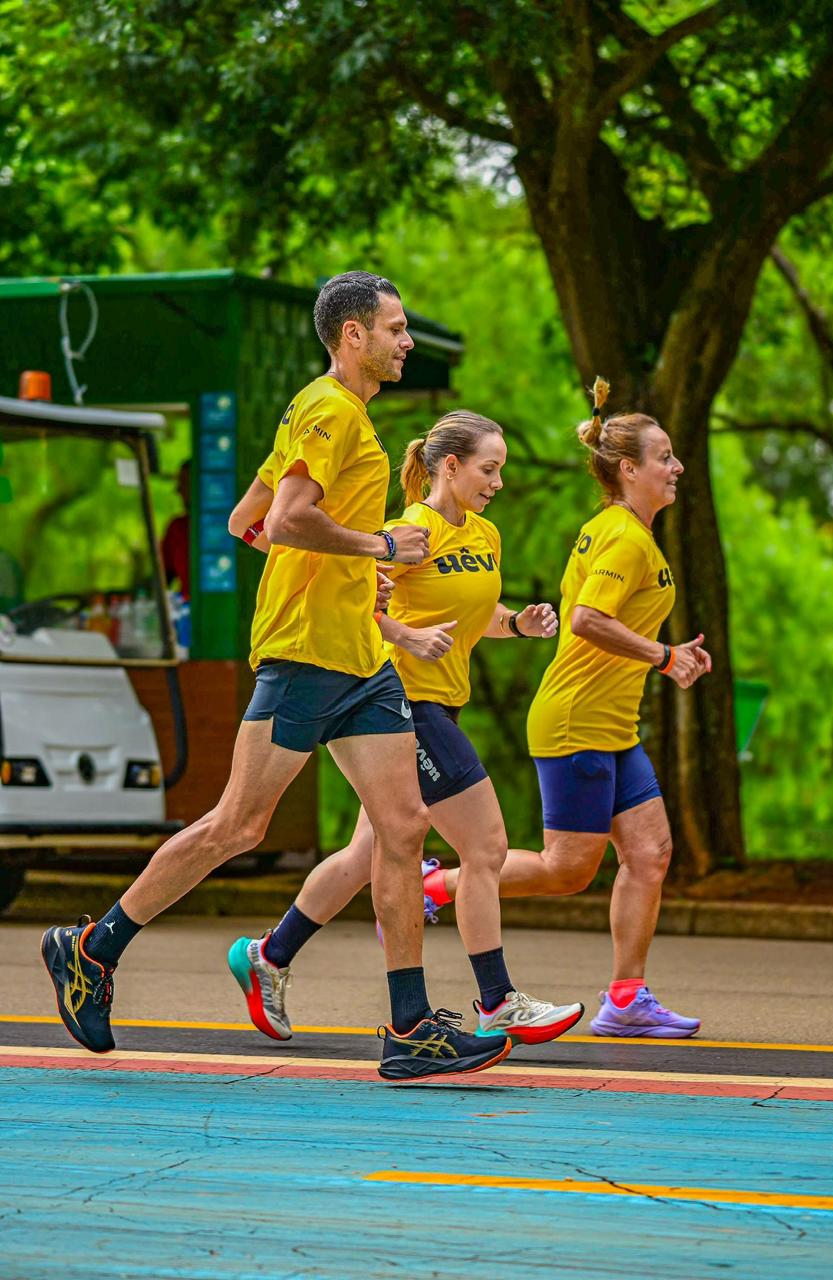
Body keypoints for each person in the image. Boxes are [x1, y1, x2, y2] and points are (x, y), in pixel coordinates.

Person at [40, 271, 512, 1082]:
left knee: (402, 832)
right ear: (352, 336)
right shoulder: (331, 410)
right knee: (238, 827)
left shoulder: (321, 410)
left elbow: (244, 522)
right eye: (395, 329)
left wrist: (354, 576)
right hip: (304, 652)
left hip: (362, 659)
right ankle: (90, 948)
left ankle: (409, 1029)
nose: (406, 342)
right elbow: (287, 519)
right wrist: (376, 550)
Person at [227, 413, 584, 1046]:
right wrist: (405, 636)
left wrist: (518, 625)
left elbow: (472, 611)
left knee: (367, 856)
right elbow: (357, 598)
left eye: (501, 469)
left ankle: (269, 956)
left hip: (443, 703)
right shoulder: (407, 529)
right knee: (486, 846)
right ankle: (497, 1000)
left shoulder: (484, 534)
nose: (498, 481)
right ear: (451, 466)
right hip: (400, 706)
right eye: (488, 468)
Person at [420, 377, 712, 1038]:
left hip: (613, 726)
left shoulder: (632, 532)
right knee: (565, 871)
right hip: (576, 719)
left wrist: (667, 655)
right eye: (664, 457)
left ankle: (627, 998)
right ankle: (439, 887)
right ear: (629, 469)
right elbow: (585, 619)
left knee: (650, 852)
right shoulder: (622, 537)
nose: (677, 467)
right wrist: (664, 656)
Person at [161, 460, 191, 599]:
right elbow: (163, 576)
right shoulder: (176, 528)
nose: (178, 490)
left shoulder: (232, 526)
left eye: (184, 484)